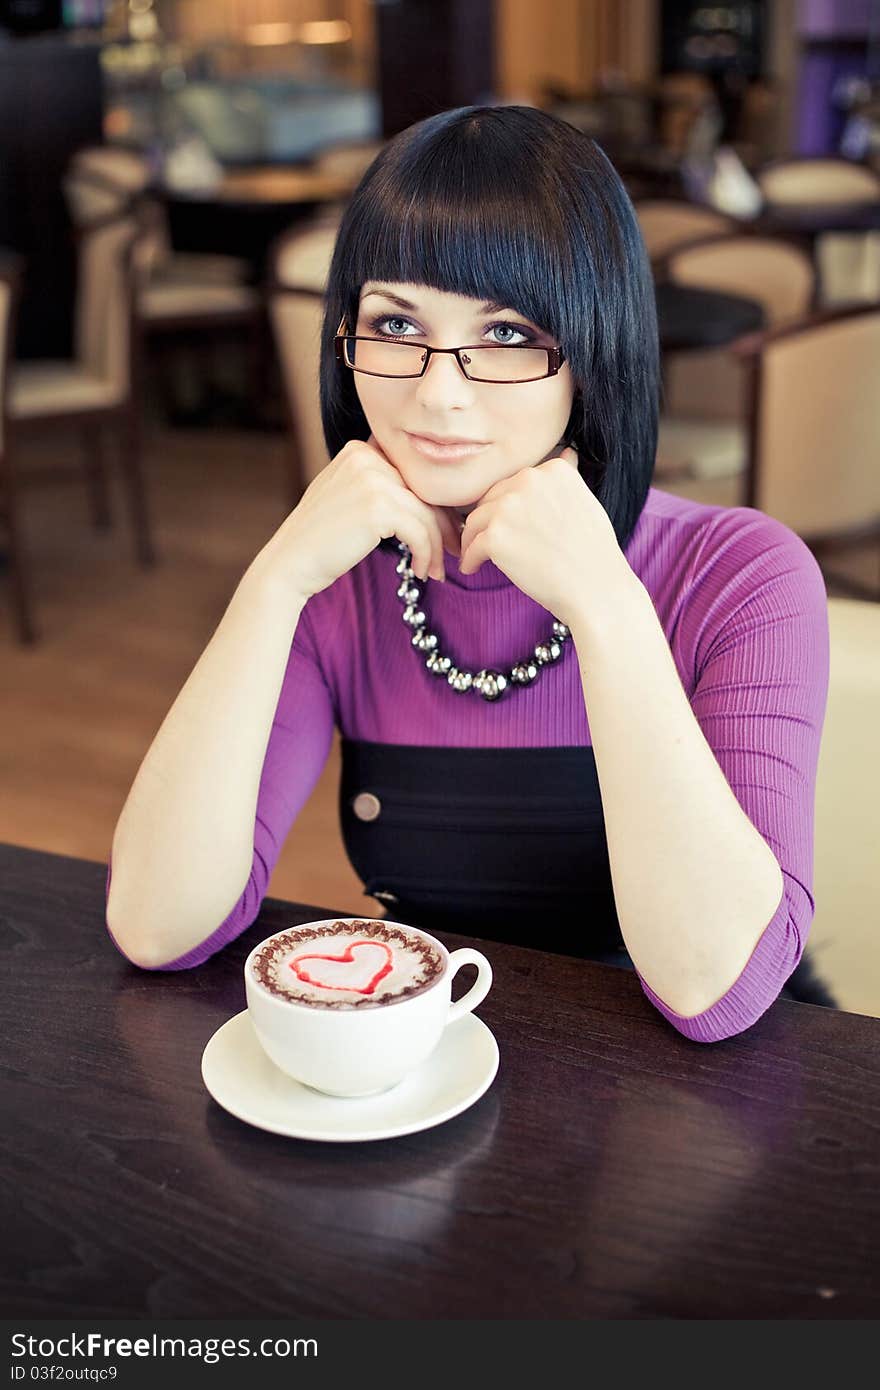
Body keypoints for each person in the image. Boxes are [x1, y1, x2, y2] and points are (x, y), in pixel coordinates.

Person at [105, 105, 830, 1042]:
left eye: (508, 334)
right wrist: (275, 579)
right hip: (432, 1070)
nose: (438, 393)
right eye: (396, 322)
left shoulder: (740, 575)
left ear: (591, 351)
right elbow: (158, 926)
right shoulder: (338, 581)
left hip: (705, 1116)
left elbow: (714, 992)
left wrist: (606, 607)